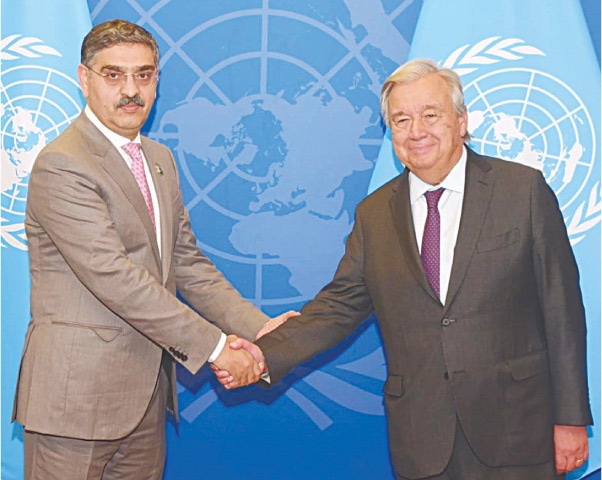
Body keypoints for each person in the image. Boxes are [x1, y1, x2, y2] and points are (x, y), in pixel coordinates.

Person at [218, 59, 592, 479]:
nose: (417, 131)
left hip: (519, 432)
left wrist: (571, 418)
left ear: (461, 120)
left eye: (430, 115)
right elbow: (338, 308)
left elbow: (562, 311)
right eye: (402, 119)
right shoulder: (375, 214)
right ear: (390, 131)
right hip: (423, 438)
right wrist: (263, 355)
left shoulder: (521, 190)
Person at [12, 19, 294, 480]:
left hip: (145, 402)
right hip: (75, 406)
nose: (130, 90)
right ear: (85, 80)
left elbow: (186, 263)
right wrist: (218, 348)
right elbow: (116, 279)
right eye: (113, 75)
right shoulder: (62, 164)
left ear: (157, 81)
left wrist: (261, 330)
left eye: (143, 75)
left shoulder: (159, 159)